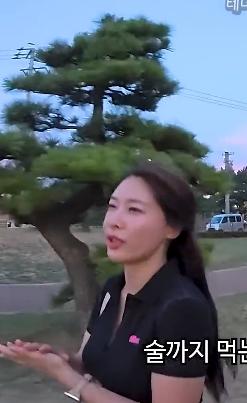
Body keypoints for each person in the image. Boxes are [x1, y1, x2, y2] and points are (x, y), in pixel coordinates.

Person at [0, 161, 232, 403]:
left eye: (134, 210)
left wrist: (66, 376)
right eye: (112, 206)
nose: (114, 221)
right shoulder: (112, 289)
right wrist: (62, 361)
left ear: (172, 228)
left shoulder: (183, 309)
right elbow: (93, 364)